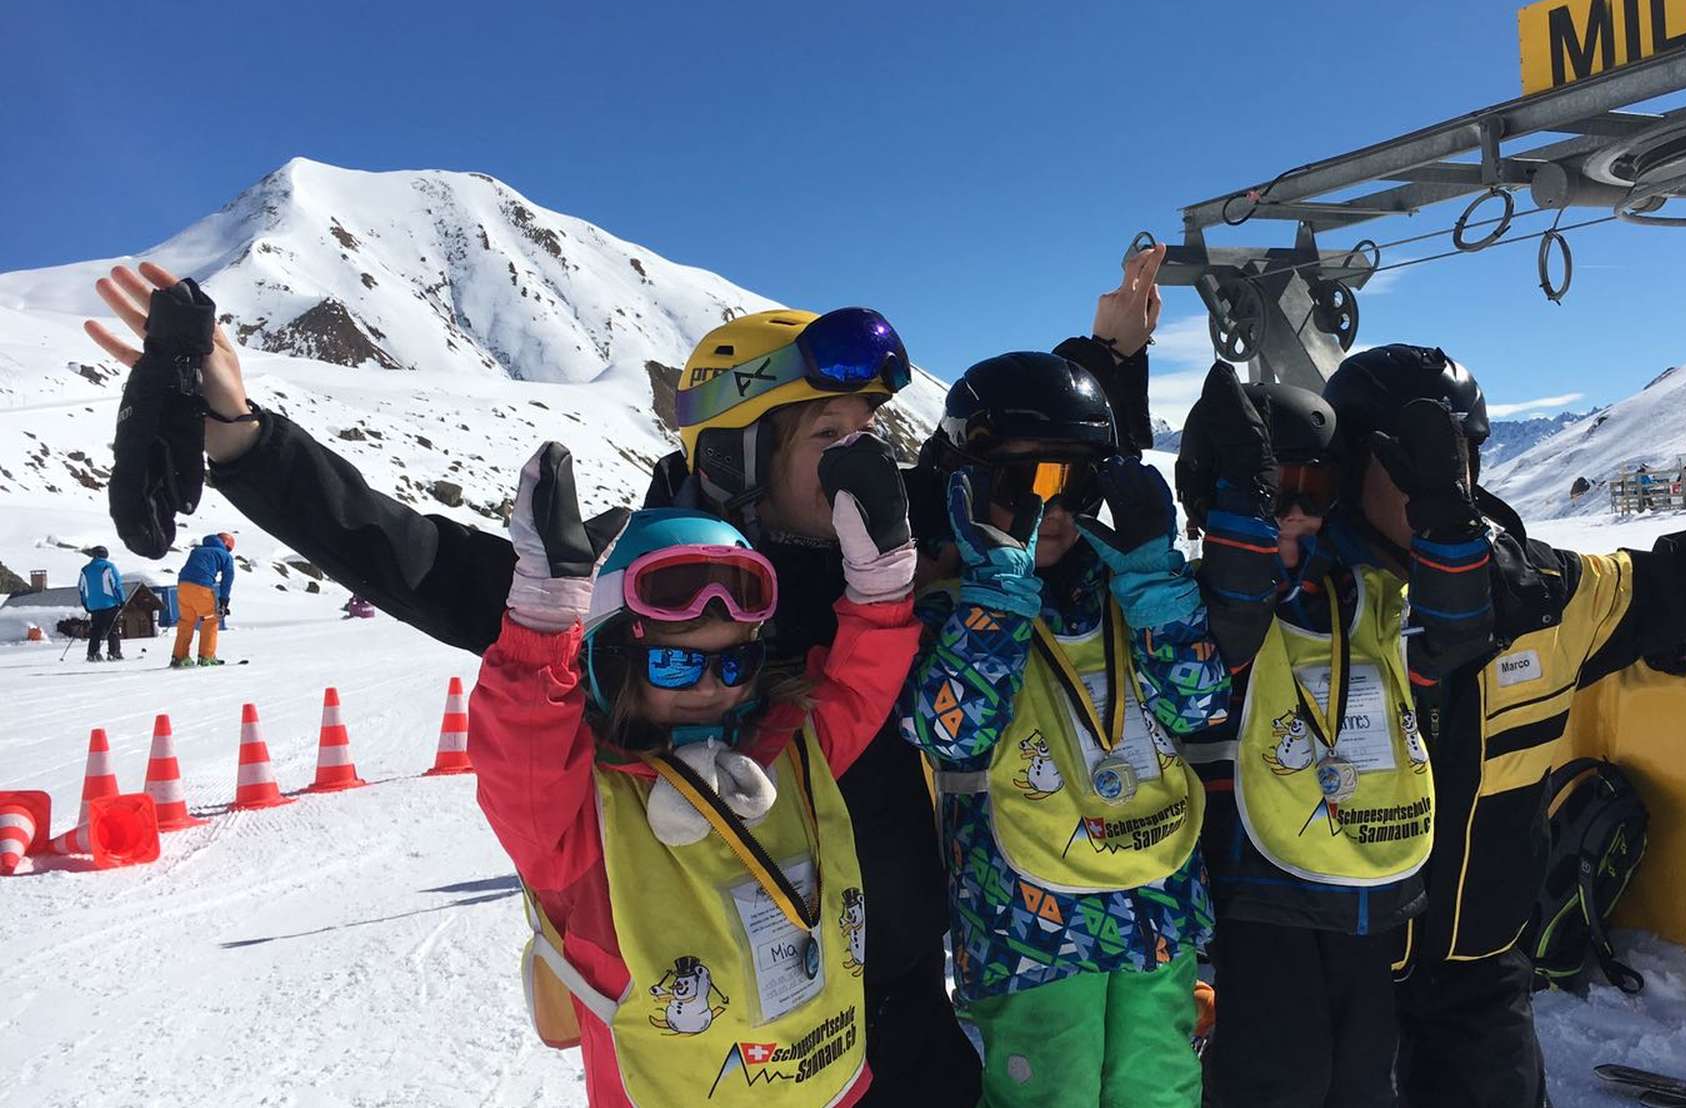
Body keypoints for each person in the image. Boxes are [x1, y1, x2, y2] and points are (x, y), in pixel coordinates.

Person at [83, 253, 1166, 1106]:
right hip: (734, 1035)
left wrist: (1107, 359)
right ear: (740, 451)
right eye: (833, 435)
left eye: (870, 434)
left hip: (901, 989)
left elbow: (1031, 465)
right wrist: (247, 442)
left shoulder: (883, 532)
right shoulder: (639, 583)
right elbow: (420, 559)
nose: (867, 463)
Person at [1291, 345, 1686, 1108]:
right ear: (1350, 470)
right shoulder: (1293, 609)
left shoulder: (1542, 596)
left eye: (1456, 457)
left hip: (1482, 971)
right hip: (1338, 978)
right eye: (1412, 461)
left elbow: (1676, 580)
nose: (1443, 483)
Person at [470, 436, 919, 1106]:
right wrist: (541, 624)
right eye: (675, 663)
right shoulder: (580, 818)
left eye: (734, 662)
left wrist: (882, 587)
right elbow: (519, 759)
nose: (712, 686)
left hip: (828, 1086)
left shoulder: (789, 752)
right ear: (610, 661)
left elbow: (859, 685)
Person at [897, 352, 1229, 1107]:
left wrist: (1155, 584)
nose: (1049, 506)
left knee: (1161, 1090)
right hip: (1030, 934)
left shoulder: (1133, 593)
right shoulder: (948, 608)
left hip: (1156, 907)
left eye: (1070, 482)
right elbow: (950, 731)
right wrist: (998, 595)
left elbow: (1201, 706)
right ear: (967, 484)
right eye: (1023, 482)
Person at [1173, 364, 1496, 1108]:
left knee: (1362, 1075)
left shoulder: (1364, 592)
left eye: (1310, 489)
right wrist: (1240, 519)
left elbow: (1450, 640)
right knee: (1277, 1079)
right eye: (1267, 491)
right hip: (1260, 889)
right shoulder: (1194, 606)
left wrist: (1447, 519)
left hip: (1362, 879)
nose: (1290, 512)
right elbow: (1235, 621)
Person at [171, 531, 235, 668]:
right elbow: (227, 580)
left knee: (186, 621)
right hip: (201, 587)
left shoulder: (197, 551)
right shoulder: (225, 556)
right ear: (226, 545)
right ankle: (207, 657)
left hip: (183, 586)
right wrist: (224, 601)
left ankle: (179, 657)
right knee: (210, 620)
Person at [77, 545, 125, 662]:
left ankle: (92, 653)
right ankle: (114, 653)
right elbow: (117, 585)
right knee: (112, 629)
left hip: (93, 605)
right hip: (109, 603)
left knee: (96, 630)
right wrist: (121, 600)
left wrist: (86, 604)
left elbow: (81, 588)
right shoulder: (108, 566)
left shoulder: (85, 569)